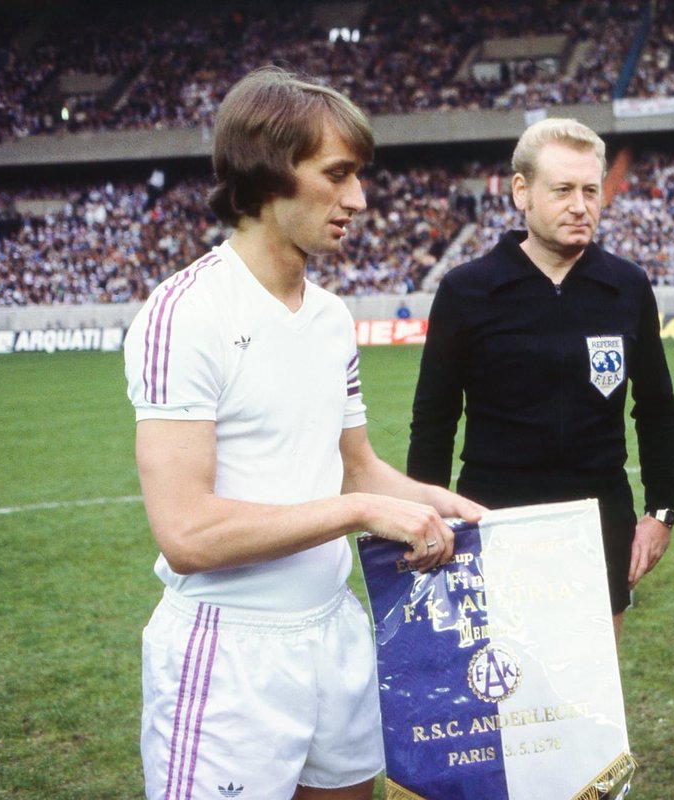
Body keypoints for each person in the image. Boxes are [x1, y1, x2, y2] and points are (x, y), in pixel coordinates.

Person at [123, 66, 485, 800]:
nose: (359, 199)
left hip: (335, 629)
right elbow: (186, 535)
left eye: (360, 176)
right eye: (338, 174)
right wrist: (359, 514)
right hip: (231, 652)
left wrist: (455, 509)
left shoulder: (328, 316)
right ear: (267, 173)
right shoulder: (186, 313)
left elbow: (357, 470)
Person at [407, 117, 674, 639]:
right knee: (507, 696)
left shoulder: (627, 286)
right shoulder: (468, 290)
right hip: (494, 517)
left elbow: (657, 406)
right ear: (521, 192)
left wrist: (661, 511)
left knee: (590, 700)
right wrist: (429, 514)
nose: (580, 205)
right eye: (563, 190)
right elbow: (434, 419)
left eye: (591, 190)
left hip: (599, 519)